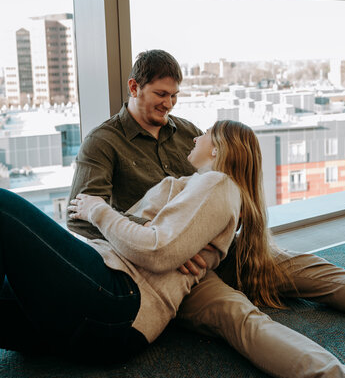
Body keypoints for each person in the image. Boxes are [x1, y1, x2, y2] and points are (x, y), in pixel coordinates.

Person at [66, 50, 345, 378]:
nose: (168, 103)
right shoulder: (103, 141)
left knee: (314, 270)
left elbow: (221, 188)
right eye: (160, 94)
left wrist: (201, 239)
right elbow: (81, 215)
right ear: (134, 87)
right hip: (170, 271)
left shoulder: (186, 133)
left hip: (217, 249)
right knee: (241, 317)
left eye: (174, 95)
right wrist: (172, 243)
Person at [0, 120, 282, 362]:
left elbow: (157, 251)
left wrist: (98, 210)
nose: (196, 136)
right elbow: (166, 244)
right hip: (107, 322)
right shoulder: (198, 188)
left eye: (206, 132)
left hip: (119, 297)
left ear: (218, 148)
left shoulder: (218, 184)